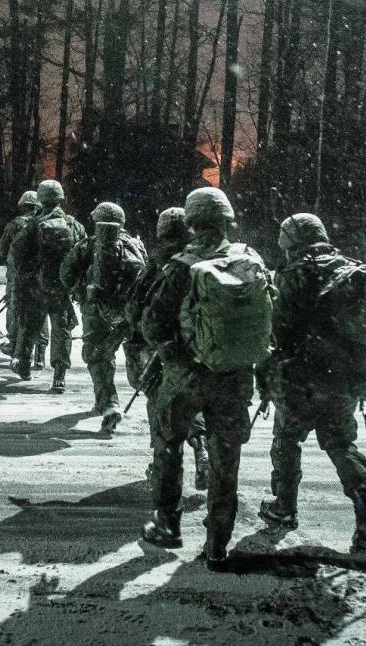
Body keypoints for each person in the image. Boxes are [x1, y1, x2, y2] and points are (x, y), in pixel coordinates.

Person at [140, 187, 272, 569]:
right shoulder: (250, 260)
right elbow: (268, 320)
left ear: (192, 222)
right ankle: (217, 543)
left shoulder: (182, 266)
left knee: (168, 444)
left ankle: (168, 524)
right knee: (226, 459)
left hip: (186, 378)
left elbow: (152, 323)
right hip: (235, 379)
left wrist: (175, 352)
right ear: (227, 220)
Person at [258, 212, 366, 566]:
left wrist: (266, 372)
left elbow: (276, 331)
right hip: (343, 380)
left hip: (300, 380)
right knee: (342, 445)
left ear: (291, 243)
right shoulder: (350, 270)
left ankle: (284, 507)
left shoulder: (292, 275)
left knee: (287, 440)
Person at [122, 207, 210, 490]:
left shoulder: (161, 263)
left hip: (166, 349)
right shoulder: (207, 259)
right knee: (194, 400)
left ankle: (163, 469)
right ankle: (202, 443)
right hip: (205, 348)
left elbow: (136, 309)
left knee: (161, 405)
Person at [60, 201, 148, 433]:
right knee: (137, 356)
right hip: (131, 312)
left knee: (98, 356)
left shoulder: (88, 245)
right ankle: (158, 400)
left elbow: (66, 275)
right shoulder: (137, 246)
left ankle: (108, 403)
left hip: (96, 311)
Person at [10, 179, 85, 391]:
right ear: (60, 198)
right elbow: (82, 255)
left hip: (37, 286)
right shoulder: (73, 225)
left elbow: (16, 252)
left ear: (41, 199)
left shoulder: (33, 224)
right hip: (62, 289)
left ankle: (25, 365)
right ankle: (59, 375)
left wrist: (26, 277)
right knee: (61, 330)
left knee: (30, 326)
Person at [0, 190, 47, 364]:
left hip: (18, 275)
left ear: (23, 206)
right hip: (40, 275)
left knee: (15, 308)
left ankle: (14, 344)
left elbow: (1, 250)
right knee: (40, 310)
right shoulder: (43, 223)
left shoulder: (15, 224)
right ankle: (40, 353)